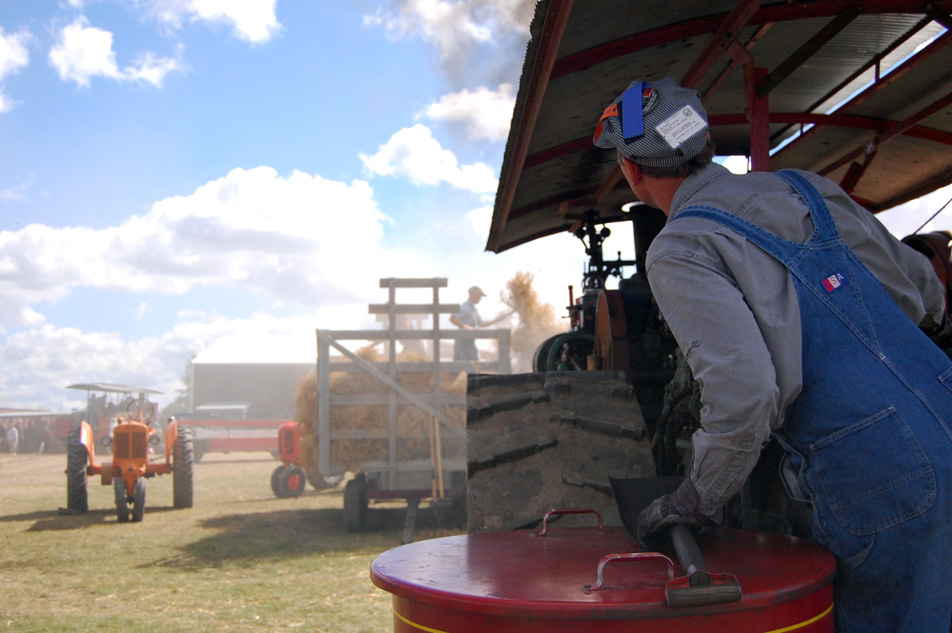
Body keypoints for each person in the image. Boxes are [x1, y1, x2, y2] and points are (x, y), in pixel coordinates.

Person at [593, 76, 952, 632]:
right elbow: (918, 289)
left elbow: (747, 392)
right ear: (704, 142)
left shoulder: (680, 246)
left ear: (632, 169)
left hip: (883, 476)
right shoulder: (804, 189)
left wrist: (697, 498)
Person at [449, 286, 510, 363]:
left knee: (458, 370)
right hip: (463, 343)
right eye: (479, 295)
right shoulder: (465, 307)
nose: (480, 298)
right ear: (473, 294)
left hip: (469, 342)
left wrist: (498, 320)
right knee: (473, 367)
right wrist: (465, 326)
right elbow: (452, 318)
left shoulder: (474, 310)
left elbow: (481, 324)